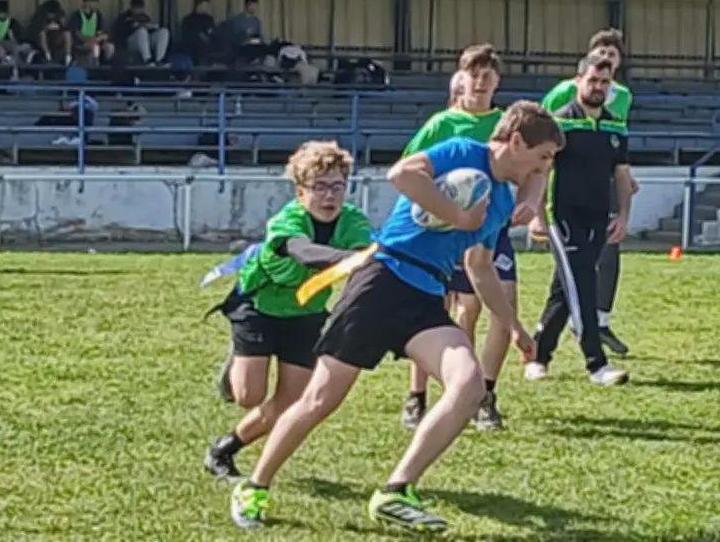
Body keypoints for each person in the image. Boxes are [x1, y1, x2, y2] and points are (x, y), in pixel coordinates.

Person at [229, 100, 564, 532]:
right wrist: (458, 215)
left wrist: (514, 326)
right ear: (516, 141)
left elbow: (479, 267)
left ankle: (396, 490)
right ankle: (255, 486)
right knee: (319, 400)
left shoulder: (499, 199)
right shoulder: (465, 151)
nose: (545, 168)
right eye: (542, 157)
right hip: (382, 280)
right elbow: (401, 174)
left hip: (426, 295)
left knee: (469, 385)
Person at [203, 141, 372, 481]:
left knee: (291, 401)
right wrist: (356, 258)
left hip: (305, 314)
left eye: (337, 186)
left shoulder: (352, 220)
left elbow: (365, 251)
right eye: (319, 187)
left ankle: (223, 450)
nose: (329, 196)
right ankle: (238, 359)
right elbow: (304, 252)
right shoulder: (286, 221)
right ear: (300, 191)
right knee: (250, 397)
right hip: (258, 308)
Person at [399, 43, 545, 432]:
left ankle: (486, 395)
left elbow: (539, 168)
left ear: (497, 82)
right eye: (473, 75)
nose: (480, 82)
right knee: (444, 308)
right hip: (445, 230)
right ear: (460, 79)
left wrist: (530, 203)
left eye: (488, 76)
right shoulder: (443, 125)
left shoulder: (510, 124)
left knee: (503, 300)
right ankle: (420, 394)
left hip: (490, 227)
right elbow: (412, 174)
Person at [526, 51, 632, 386]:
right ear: (579, 82)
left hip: (598, 217)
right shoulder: (560, 122)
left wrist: (624, 215)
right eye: (593, 80)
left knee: (564, 289)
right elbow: (541, 169)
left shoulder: (616, 123)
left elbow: (622, 174)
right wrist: (538, 215)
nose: (598, 87)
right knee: (584, 281)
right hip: (563, 218)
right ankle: (596, 364)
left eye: (605, 82)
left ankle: (538, 354)